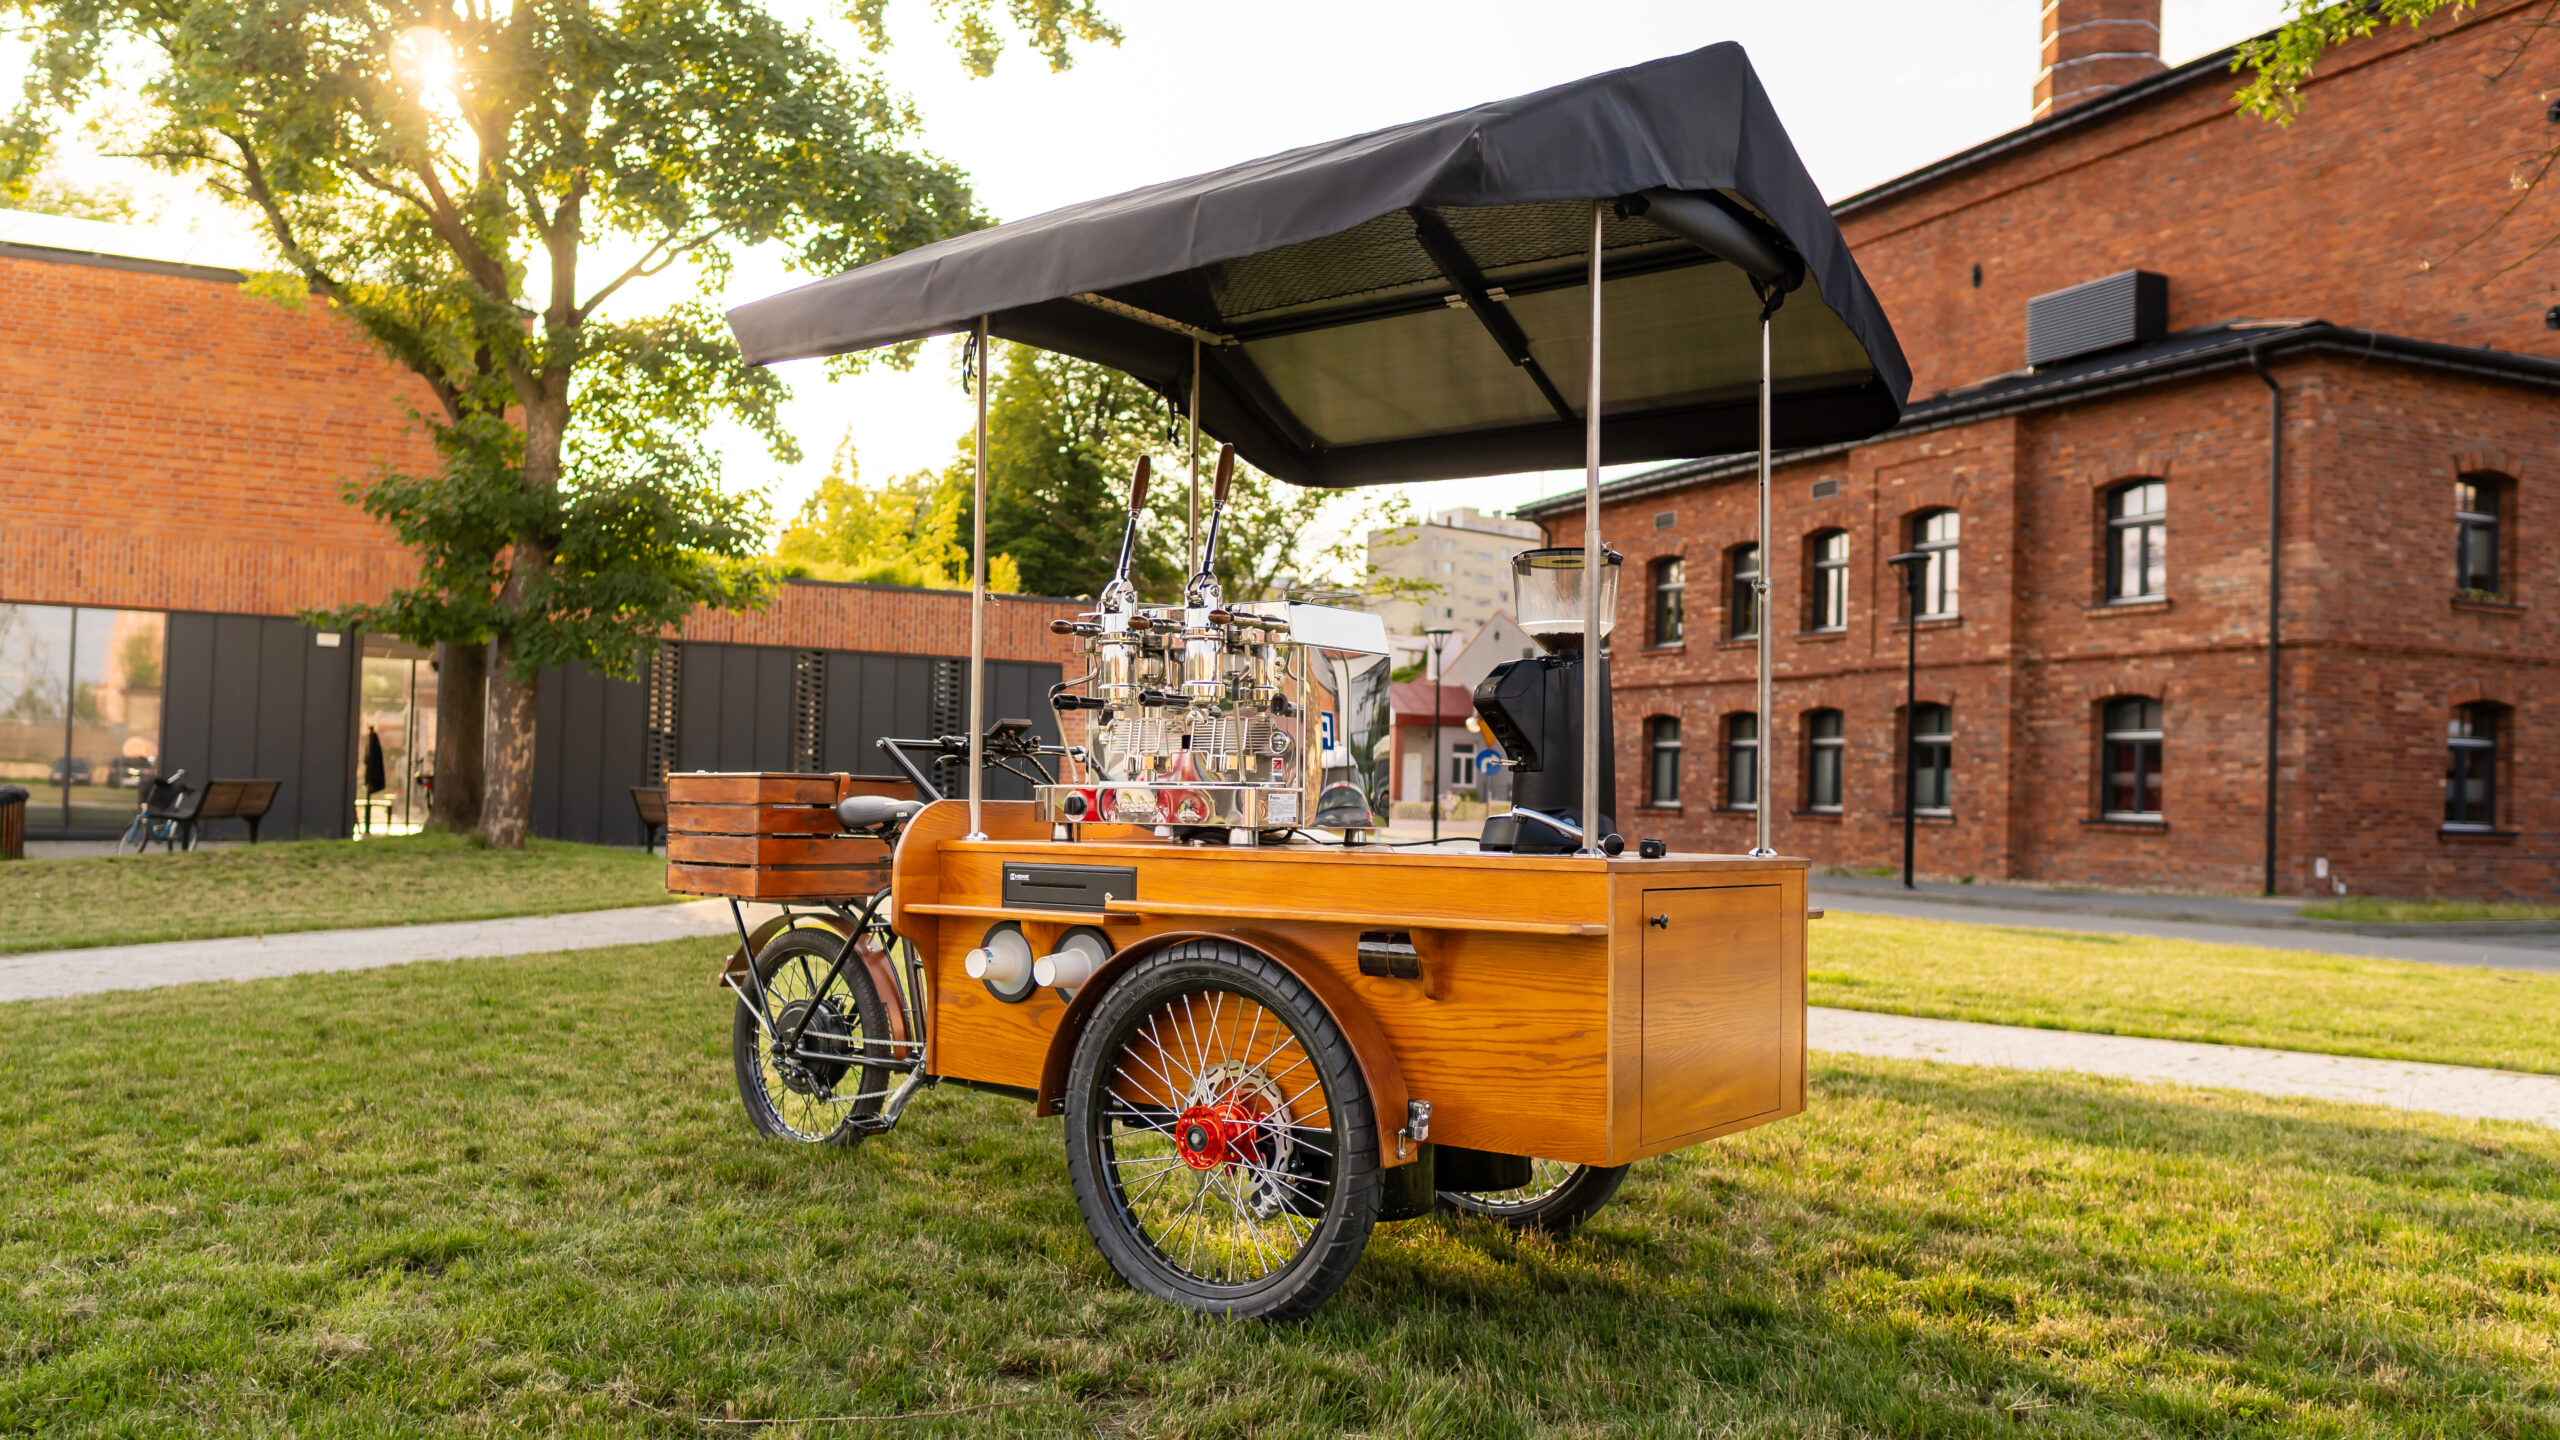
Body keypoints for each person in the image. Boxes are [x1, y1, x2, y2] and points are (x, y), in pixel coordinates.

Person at [363, 726, 387, 834]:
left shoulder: (374, 749)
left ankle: (367, 826)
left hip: (374, 779)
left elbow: (375, 765)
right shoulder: (370, 748)